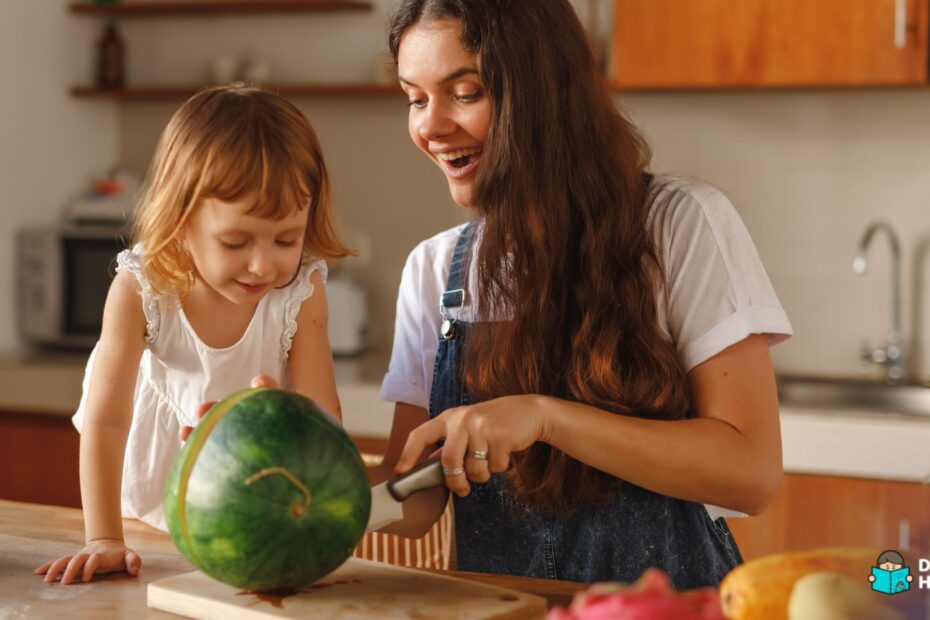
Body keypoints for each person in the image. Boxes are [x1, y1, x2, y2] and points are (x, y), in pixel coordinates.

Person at [367, 0, 793, 589]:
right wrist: (298, 490)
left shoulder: (677, 225)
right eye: (415, 98)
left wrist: (544, 417)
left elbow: (750, 473)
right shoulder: (435, 270)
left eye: (464, 93)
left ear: (542, 94)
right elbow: (413, 502)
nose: (430, 127)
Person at [35, 85, 350, 585]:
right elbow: (107, 421)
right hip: (144, 509)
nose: (263, 264)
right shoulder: (141, 288)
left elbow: (321, 423)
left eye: (286, 239)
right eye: (236, 241)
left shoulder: (301, 291)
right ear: (180, 222)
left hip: (248, 493)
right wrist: (103, 540)